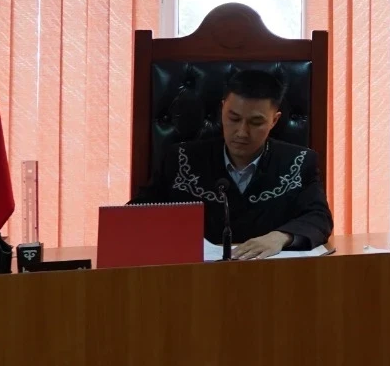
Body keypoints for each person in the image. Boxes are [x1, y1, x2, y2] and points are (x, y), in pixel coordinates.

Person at [134, 68, 333, 259]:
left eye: (256, 122)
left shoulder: (299, 161)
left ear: (274, 120)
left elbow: (319, 217)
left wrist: (280, 237)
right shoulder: (180, 159)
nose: (242, 132)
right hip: (193, 275)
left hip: (271, 274)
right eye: (234, 118)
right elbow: (137, 215)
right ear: (222, 110)